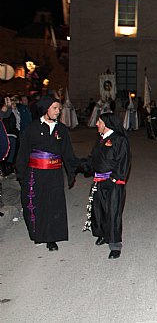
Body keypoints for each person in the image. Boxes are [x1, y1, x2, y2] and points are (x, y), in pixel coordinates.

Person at [15, 96, 80, 251]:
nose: (58, 112)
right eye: (55, 108)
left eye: (59, 108)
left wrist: (74, 170)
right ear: (46, 109)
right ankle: (39, 234)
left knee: (53, 204)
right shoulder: (32, 128)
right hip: (35, 174)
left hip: (54, 174)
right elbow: (23, 152)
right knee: (38, 204)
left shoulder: (61, 129)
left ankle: (51, 238)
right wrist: (21, 174)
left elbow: (67, 153)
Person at [80, 112, 131, 259]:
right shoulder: (101, 140)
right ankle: (103, 234)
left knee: (113, 212)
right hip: (99, 182)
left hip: (113, 183)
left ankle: (115, 244)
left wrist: (115, 179)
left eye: (99, 122)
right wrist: (81, 165)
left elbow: (124, 161)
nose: (96, 124)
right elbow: (93, 160)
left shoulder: (120, 140)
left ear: (107, 124)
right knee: (99, 210)